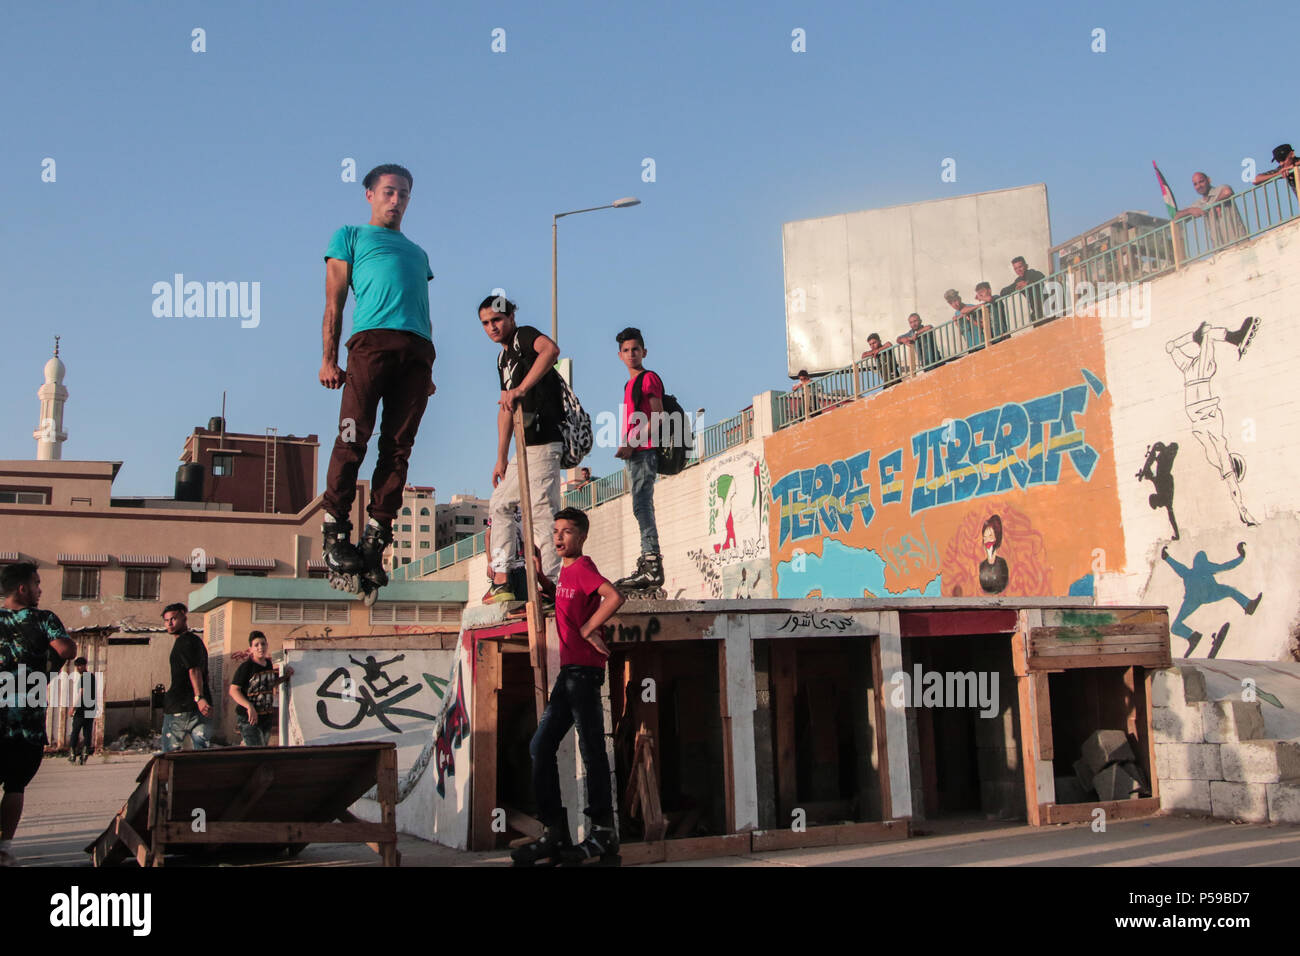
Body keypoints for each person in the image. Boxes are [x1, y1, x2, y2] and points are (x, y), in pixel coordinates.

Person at [319, 163, 438, 595]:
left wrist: (428, 370)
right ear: (370, 194)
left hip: (417, 352)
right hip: (369, 344)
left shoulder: (418, 253)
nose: (396, 200)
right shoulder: (349, 236)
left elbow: (421, 306)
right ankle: (335, 530)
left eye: (404, 194)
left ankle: (376, 539)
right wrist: (328, 359)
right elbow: (334, 303)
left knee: (398, 448)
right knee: (353, 437)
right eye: (389, 191)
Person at [511, 508, 625, 867]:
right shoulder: (565, 573)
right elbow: (561, 598)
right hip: (569, 674)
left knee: (591, 752)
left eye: (567, 532)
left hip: (584, 673)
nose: (560, 537)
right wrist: (543, 579)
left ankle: (603, 832)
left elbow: (614, 596)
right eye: (556, 531)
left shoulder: (584, 569)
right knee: (540, 746)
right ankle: (554, 830)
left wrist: (589, 629)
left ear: (582, 537)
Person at [481, 295, 564, 602]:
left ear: (511, 316)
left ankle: (554, 584)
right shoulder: (503, 360)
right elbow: (506, 407)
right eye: (486, 323)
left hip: (544, 441)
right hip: (523, 448)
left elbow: (551, 350)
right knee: (500, 504)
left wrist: (522, 388)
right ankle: (501, 578)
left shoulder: (524, 336)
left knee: (542, 512)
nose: (492, 327)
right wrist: (501, 457)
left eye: (497, 320)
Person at [0, 563, 77, 866]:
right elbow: (66, 650)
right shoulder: (43, 619)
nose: (40, 589)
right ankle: (3, 849)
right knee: (15, 785)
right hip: (25, 721)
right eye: (36, 583)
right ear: (23, 587)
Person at [1165, 318, 1260, 527]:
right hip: (1205, 416)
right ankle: (1236, 338)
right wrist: (1199, 336)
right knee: (1220, 457)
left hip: (1200, 419)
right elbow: (1188, 341)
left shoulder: (1188, 366)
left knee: (1218, 457)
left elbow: (1171, 346)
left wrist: (1193, 336)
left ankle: (1236, 338)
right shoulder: (1199, 366)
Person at [613, 327, 666, 592]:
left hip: (643, 451)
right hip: (635, 452)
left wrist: (631, 444)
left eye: (635, 349)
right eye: (626, 350)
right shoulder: (630, 384)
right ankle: (648, 560)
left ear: (644, 352)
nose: (631, 354)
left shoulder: (648, 379)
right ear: (620, 355)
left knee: (643, 505)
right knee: (639, 505)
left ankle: (652, 563)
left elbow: (657, 418)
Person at [160, 603, 212, 752]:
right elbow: (205, 675)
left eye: (174, 619)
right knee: (201, 754)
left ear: (184, 618)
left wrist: (199, 697)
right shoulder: (196, 641)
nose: (169, 623)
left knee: (170, 755)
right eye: (166, 620)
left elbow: (194, 670)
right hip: (201, 708)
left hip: (180, 707)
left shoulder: (185, 641)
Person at [228, 632, 292, 747]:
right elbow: (233, 690)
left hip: (265, 717)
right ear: (251, 649)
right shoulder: (246, 667)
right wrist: (249, 706)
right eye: (256, 645)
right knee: (257, 752)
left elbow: (268, 684)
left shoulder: (268, 664)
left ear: (267, 645)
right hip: (249, 718)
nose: (260, 647)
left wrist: (285, 677)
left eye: (262, 644)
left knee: (262, 749)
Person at [1175, 172, 1246, 247]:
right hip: (1220, 250)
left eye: (1201, 181)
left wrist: (1216, 203)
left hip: (1239, 243)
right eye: (1195, 184)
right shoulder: (1199, 204)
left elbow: (1227, 192)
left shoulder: (1220, 189)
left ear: (1209, 180)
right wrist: (1190, 211)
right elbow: (1176, 217)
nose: (1199, 186)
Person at [68, 657, 99, 765]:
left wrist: (73, 707)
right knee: (87, 732)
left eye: (79, 666)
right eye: (76, 666)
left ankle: (72, 753)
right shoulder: (92, 677)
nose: (77, 668)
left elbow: (81, 693)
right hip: (91, 708)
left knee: (75, 731)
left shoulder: (84, 677)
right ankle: (85, 753)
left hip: (82, 709)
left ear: (84, 665)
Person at [999, 256, 1047, 323]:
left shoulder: (1032, 273)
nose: (1018, 270)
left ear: (1026, 266)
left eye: (1020, 267)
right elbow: (1003, 292)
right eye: (1015, 268)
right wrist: (1015, 288)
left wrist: (1027, 284)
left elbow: (1041, 276)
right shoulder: (1018, 281)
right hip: (1037, 312)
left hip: (1047, 307)